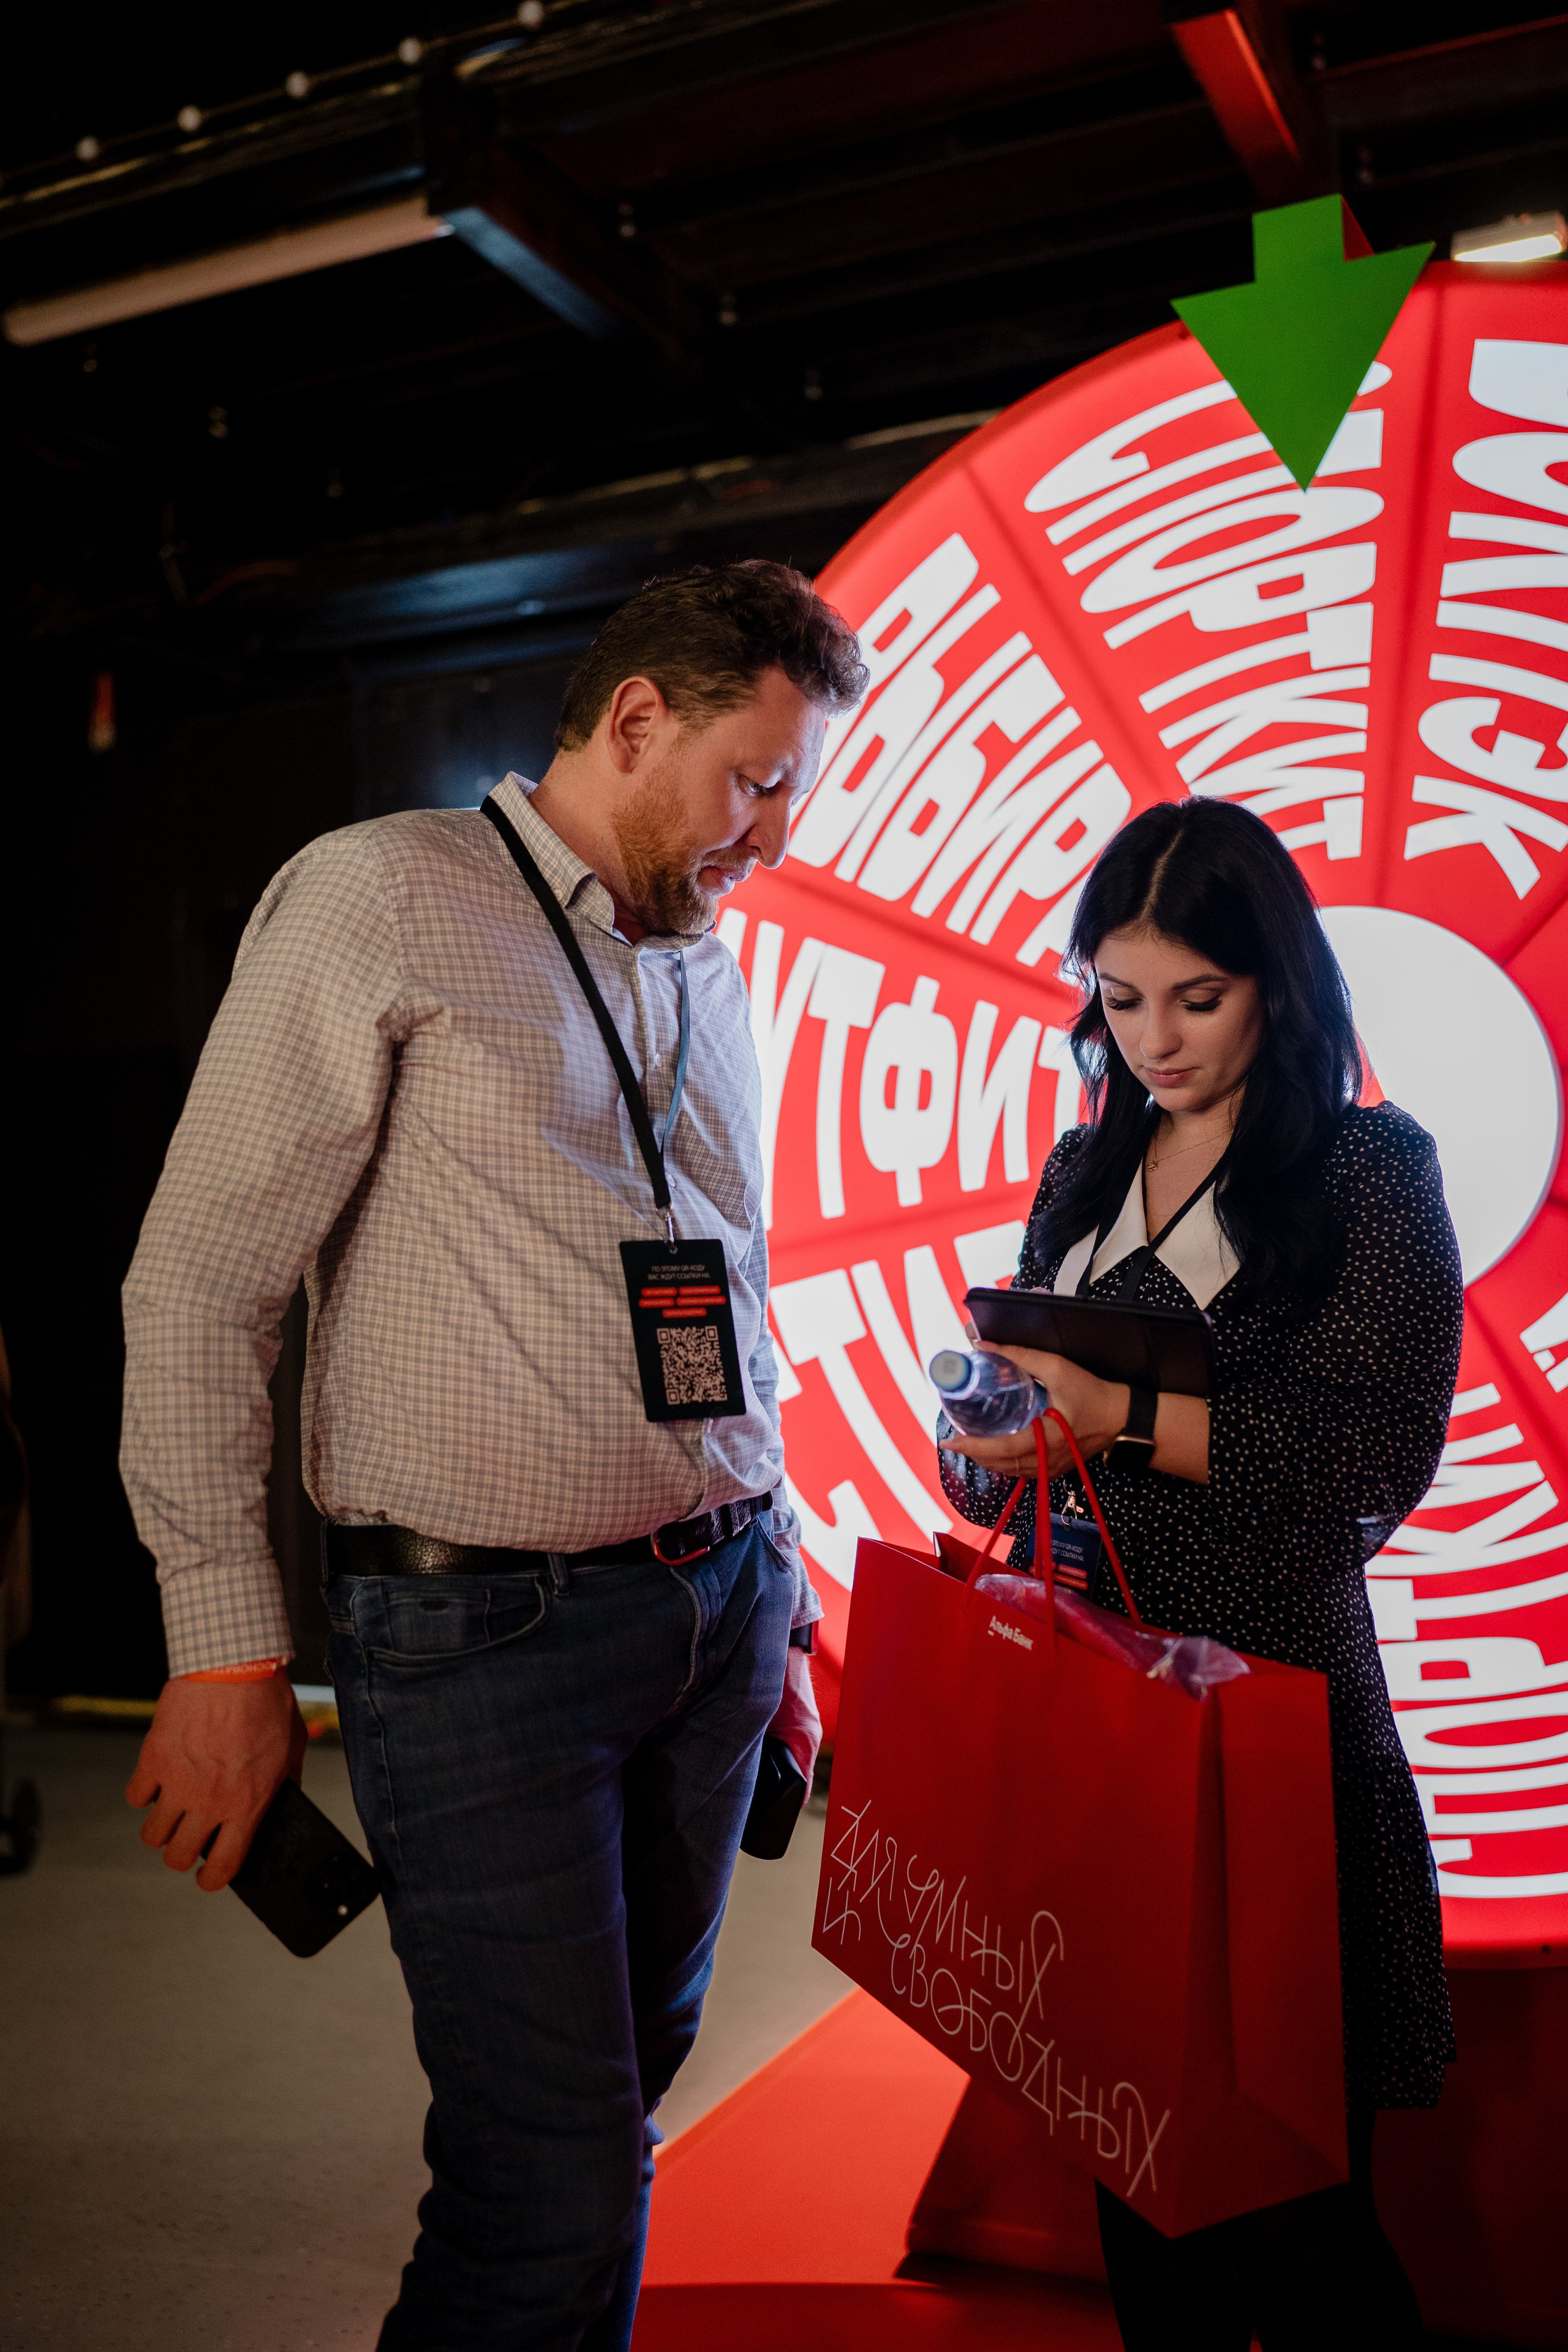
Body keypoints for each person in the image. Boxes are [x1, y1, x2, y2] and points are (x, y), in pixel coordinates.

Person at [119, 561, 869, 2350]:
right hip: (483, 1646)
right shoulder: (385, 893)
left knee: (616, 2118)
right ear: (637, 721)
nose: (774, 836)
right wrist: (223, 1653)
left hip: (721, 1606)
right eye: (757, 782)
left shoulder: (703, 961)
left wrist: (773, 1591)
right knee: (551, 2181)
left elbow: (729, 1286)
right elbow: (200, 1285)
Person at [938, 796, 1458, 2352]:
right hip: (1097, 1719)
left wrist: (1119, 1415)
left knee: (1297, 2211)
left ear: (1275, 986)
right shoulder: (1080, 1172)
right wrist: (992, 1435)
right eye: (1118, 999)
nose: (1152, 1040)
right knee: (1137, 2176)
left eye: (1196, 997)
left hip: (1272, 1721)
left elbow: (1370, 1460)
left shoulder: (1367, 1170)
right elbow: (998, 1465)